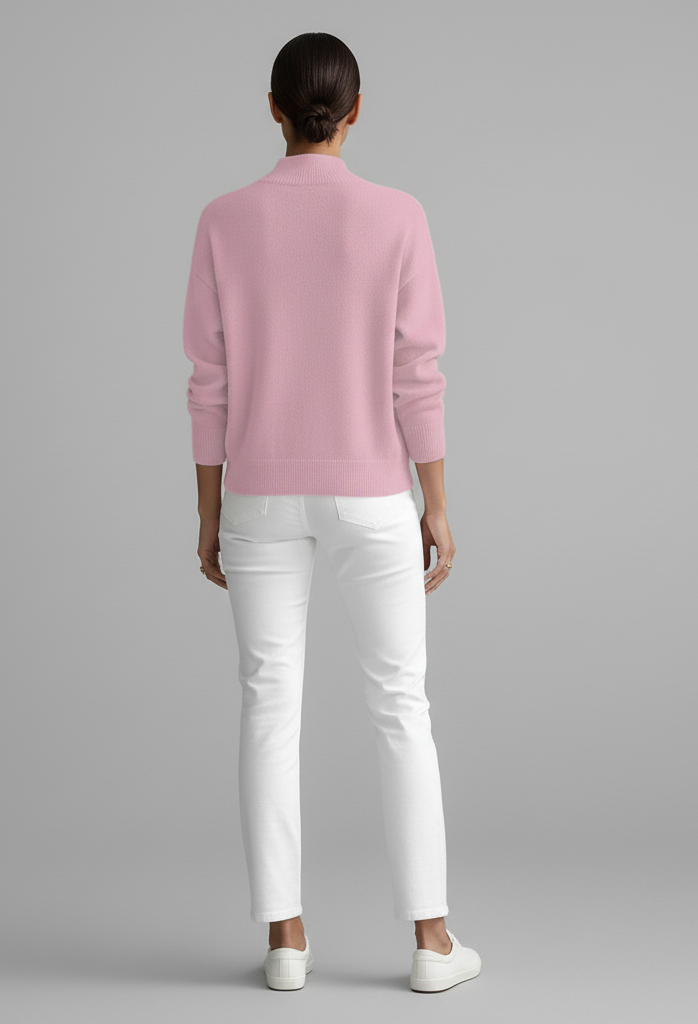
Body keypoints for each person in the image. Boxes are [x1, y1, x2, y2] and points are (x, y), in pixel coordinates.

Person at [182, 32, 481, 993]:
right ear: (355, 113)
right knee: (401, 706)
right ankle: (432, 944)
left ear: (274, 108)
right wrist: (437, 504)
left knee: (268, 707)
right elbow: (417, 373)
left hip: (258, 494)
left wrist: (208, 512)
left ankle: (285, 940)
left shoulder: (224, 220)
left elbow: (209, 382)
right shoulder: (399, 216)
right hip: (374, 493)